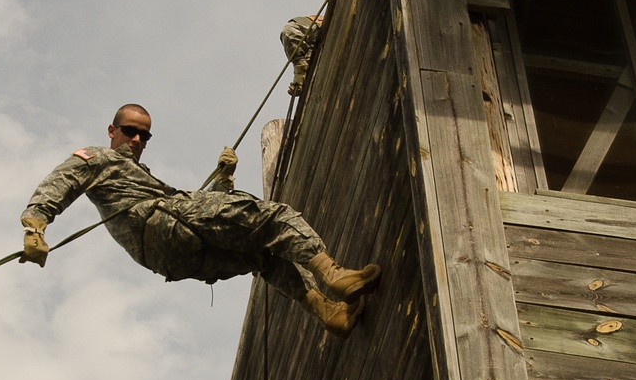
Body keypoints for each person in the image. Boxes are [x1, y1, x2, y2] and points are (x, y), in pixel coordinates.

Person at [21, 104, 380, 336]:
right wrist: (35, 225)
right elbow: (63, 180)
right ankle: (335, 276)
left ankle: (329, 313)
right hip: (162, 224)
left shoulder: (142, 177)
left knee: (264, 255)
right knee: (274, 218)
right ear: (111, 130)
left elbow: (207, 220)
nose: (136, 139)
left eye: (143, 135)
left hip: (171, 257)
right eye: (129, 130)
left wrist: (223, 180)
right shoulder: (99, 157)